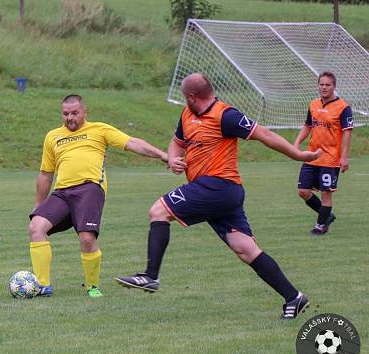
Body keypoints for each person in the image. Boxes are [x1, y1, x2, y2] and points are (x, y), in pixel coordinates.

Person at [115, 73, 321, 319]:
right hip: (218, 193)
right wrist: (172, 158)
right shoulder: (187, 114)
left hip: (218, 185)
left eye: (185, 97)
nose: (184, 101)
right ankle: (294, 297)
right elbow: (176, 143)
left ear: (193, 96)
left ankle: (150, 276)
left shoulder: (226, 115)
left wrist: (299, 156)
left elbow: (265, 135)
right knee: (245, 249)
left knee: (158, 211)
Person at [29, 94, 168, 298]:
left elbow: (132, 143)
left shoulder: (99, 130)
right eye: (66, 114)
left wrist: (163, 155)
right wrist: (38, 205)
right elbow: (45, 174)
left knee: (86, 239)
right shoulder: (53, 136)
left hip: (90, 189)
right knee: (36, 227)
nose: (70, 118)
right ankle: (42, 285)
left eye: (74, 113)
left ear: (85, 112)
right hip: (62, 193)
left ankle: (92, 287)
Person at [293, 71, 353, 236]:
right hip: (312, 156)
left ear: (334, 86)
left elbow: (347, 132)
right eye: (322, 84)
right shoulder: (313, 104)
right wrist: (297, 143)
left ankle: (321, 226)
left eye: (328, 85)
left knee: (326, 194)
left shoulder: (343, 107)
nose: (324, 87)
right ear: (318, 85)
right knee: (303, 191)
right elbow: (308, 125)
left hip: (330, 159)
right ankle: (327, 215)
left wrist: (344, 157)